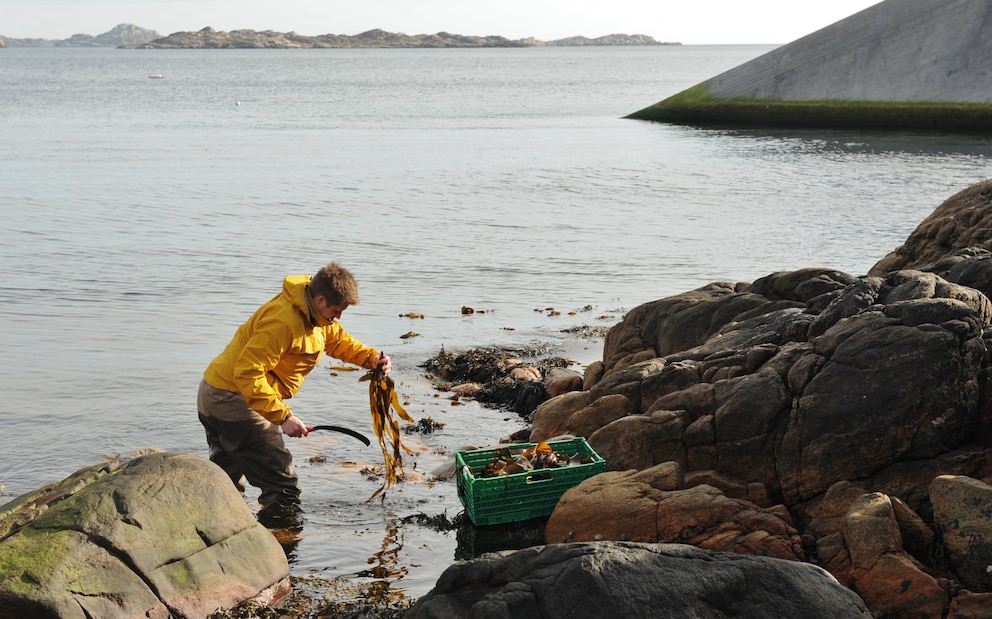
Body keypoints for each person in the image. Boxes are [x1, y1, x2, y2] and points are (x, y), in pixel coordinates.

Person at [197, 263, 390, 526]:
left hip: (217, 392)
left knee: (225, 480)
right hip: (232, 399)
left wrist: (370, 359)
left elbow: (336, 341)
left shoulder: (317, 315)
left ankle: (222, 537)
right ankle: (282, 548)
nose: (340, 316)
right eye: (337, 310)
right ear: (321, 299)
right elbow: (248, 373)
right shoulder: (283, 321)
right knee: (283, 486)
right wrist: (283, 416)